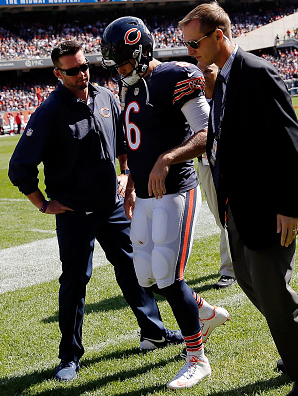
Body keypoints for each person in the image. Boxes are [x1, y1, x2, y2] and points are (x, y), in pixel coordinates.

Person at [179, 3, 298, 396]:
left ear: (219, 36)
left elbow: (290, 143)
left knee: (274, 293)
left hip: (270, 208)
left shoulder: (258, 73)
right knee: (251, 282)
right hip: (240, 208)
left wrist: (289, 207)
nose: (190, 51)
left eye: (194, 43)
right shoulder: (221, 78)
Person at [9, 40, 183, 383]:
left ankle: (153, 332)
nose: (82, 74)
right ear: (58, 74)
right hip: (74, 213)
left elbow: (124, 142)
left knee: (133, 268)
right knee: (74, 282)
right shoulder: (49, 112)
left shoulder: (105, 97)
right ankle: (69, 356)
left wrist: (124, 175)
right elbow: (20, 166)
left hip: (112, 206)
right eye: (73, 70)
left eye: (84, 66)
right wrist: (42, 203)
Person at [101, 16, 229, 390]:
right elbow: (134, 144)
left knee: (168, 275)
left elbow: (207, 134)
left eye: (124, 60)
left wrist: (167, 159)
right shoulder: (130, 88)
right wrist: (129, 185)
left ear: (142, 51)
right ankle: (202, 311)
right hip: (142, 194)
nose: (120, 69)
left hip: (176, 189)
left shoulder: (175, 75)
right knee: (147, 277)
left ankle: (197, 358)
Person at [198, 63, 235, 289]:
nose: (202, 75)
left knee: (228, 217)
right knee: (220, 218)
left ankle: (229, 269)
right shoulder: (193, 101)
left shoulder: (227, 95)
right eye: (199, 70)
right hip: (204, 165)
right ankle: (235, 263)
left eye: (207, 71)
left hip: (228, 165)